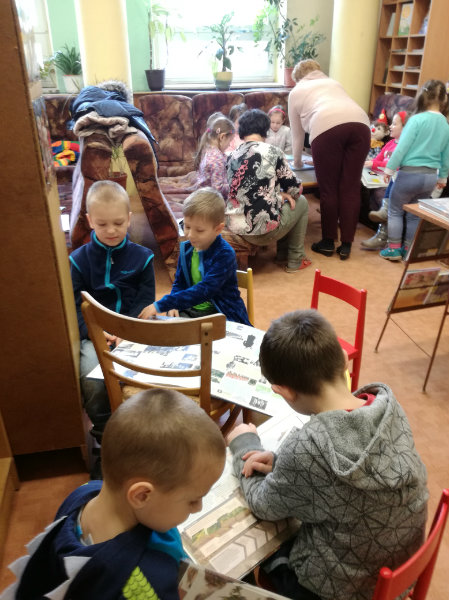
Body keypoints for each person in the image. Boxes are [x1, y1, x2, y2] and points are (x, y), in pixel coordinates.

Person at [227, 309, 428, 600]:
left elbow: (263, 505)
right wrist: (281, 463)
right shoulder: (386, 405)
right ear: (344, 361)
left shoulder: (307, 448)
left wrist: (244, 444)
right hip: (397, 572)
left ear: (284, 391)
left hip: (338, 590)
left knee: (258, 558)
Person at [2, 389, 226, 599]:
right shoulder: (144, 584)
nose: (198, 508)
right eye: (193, 500)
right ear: (141, 496)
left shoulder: (85, 491)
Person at [69, 180, 155, 475]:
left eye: (118, 223)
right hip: (94, 336)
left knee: (153, 379)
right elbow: (73, 305)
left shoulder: (143, 257)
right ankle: (107, 442)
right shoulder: (77, 261)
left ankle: (145, 438)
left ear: (129, 219)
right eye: (102, 224)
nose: (111, 230)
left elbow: (145, 300)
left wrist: (126, 329)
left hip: (134, 330)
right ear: (89, 221)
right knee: (94, 382)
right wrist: (92, 332)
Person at [288, 59, 370, 260]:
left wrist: (297, 163)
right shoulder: (334, 83)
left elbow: (297, 135)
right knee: (351, 187)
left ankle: (327, 242)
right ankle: (347, 244)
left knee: (329, 189)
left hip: (326, 128)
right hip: (362, 125)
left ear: (298, 78)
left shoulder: (296, 91)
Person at [139, 187, 251, 324]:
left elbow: (205, 290)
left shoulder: (225, 254)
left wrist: (163, 304)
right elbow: (179, 283)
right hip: (191, 310)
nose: (190, 235)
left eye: (199, 230)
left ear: (218, 229)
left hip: (223, 313)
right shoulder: (186, 250)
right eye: (187, 227)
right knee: (167, 329)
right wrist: (174, 302)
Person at [226, 109, 310, 274]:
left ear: (242, 131)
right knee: (301, 202)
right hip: (261, 231)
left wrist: (278, 194)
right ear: (265, 130)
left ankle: (283, 254)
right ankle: (296, 258)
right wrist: (285, 193)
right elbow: (295, 188)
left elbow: (245, 188)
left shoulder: (231, 155)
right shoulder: (273, 151)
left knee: (283, 199)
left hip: (234, 225)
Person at [380, 79, 449, 260]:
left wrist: (389, 169)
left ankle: (394, 249)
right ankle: (408, 250)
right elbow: (446, 155)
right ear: (443, 100)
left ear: (422, 96)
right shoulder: (445, 124)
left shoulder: (416, 120)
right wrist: (443, 178)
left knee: (395, 210)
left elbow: (401, 148)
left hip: (409, 174)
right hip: (430, 178)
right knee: (414, 214)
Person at [159, 114, 234, 201]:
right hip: (210, 199)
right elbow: (218, 189)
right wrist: (234, 186)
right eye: (230, 141)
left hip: (202, 192)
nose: (229, 144)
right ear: (222, 137)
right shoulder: (217, 159)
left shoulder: (208, 149)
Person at [361, 110, 408, 250]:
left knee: (382, 195)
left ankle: (382, 236)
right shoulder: (390, 143)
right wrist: (371, 163)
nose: (391, 127)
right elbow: (378, 158)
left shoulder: (406, 146)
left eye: (394, 124)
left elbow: (397, 165)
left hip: (394, 180)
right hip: (381, 176)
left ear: (405, 128)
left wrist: (374, 164)